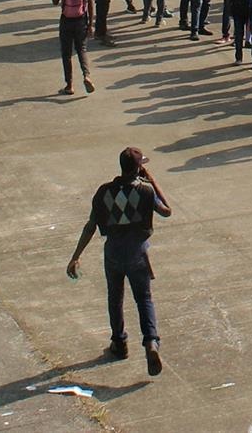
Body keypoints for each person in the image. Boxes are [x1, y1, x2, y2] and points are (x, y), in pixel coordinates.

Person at [66, 146, 172, 375]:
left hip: (113, 251)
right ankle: (151, 342)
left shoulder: (104, 192)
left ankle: (119, 342)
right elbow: (166, 211)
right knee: (144, 298)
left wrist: (76, 256)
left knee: (115, 298)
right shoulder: (145, 192)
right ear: (139, 168)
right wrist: (152, 181)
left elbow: (91, 225)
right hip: (137, 252)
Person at [51, 0, 95, 96]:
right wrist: (90, 24)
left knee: (66, 53)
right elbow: (90, 3)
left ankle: (69, 85)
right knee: (82, 49)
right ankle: (87, 75)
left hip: (66, 20)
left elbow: (55, 1)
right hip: (81, 19)